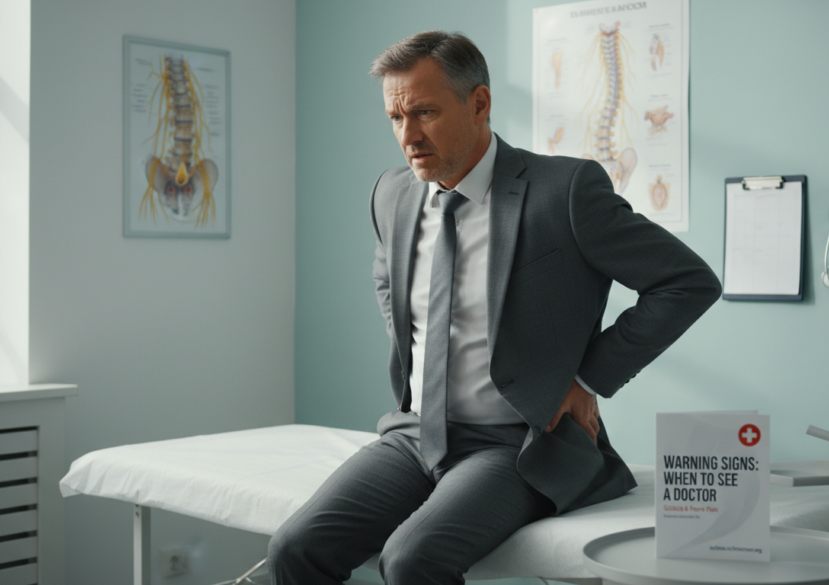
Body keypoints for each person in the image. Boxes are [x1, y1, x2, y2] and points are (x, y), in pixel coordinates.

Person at [268, 31, 721, 585]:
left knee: (412, 559)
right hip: (415, 435)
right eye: (395, 118)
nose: (407, 136)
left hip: (518, 442)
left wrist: (588, 377)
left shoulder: (564, 191)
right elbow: (388, 280)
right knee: (293, 548)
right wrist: (421, 360)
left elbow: (686, 282)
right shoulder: (393, 193)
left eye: (425, 112)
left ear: (479, 103)